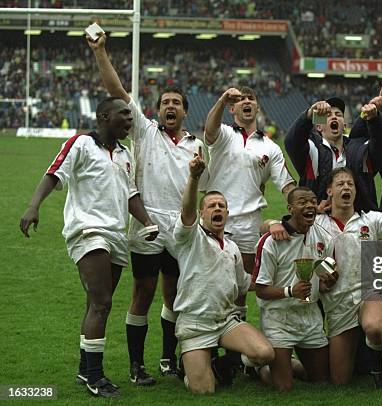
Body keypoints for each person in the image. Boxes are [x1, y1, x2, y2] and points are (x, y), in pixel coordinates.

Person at [20, 97, 159, 398]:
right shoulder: (81, 143)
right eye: (124, 114)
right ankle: (96, 377)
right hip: (87, 230)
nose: (129, 119)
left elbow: (130, 192)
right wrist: (33, 207)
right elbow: (53, 173)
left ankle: (85, 369)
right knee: (102, 302)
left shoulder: (125, 153)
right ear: (104, 116)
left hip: (116, 235)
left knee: (95, 304)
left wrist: (147, 222)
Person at [88, 32, 205, 383]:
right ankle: (136, 366)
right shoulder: (147, 131)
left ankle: (168, 358)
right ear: (158, 110)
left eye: (177, 103)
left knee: (175, 293)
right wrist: (101, 52)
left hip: (182, 228)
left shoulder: (196, 145)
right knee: (143, 291)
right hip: (148, 222)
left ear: (185, 111)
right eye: (165, 102)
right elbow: (118, 91)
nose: (171, 107)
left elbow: (208, 186)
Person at [172, 151, 275, 394]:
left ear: (227, 214)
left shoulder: (232, 247)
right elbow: (186, 212)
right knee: (204, 390)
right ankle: (190, 367)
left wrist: (280, 282)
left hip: (225, 320)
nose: (217, 209)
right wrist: (194, 178)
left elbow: (244, 283)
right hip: (196, 323)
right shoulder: (190, 236)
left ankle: (224, 363)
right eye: (211, 206)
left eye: (222, 206)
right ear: (202, 214)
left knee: (265, 353)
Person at [314, 167, 382, 388]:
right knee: (340, 381)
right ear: (329, 191)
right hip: (338, 303)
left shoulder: (371, 220)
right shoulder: (317, 225)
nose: (346, 187)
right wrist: (273, 225)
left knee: (374, 327)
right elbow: (287, 228)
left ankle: (380, 373)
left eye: (350, 184)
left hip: (369, 291)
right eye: (340, 184)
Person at [204, 86, 295, 276]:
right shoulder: (224, 134)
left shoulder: (271, 148)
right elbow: (210, 130)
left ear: (257, 107)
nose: (246, 101)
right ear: (232, 109)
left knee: (243, 283)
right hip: (217, 215)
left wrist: (300, 205)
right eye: (241, 99)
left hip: (249, 223)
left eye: (251, 98)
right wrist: (222, 99)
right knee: (212, 279)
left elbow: (286, 185)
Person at [254, 187, 337, 391]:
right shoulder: (270, 241)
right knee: (283, 387)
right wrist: (291, 291)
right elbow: (261, 290)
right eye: (302, 202)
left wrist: (328, 282)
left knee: (321, 380)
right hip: (279, 318)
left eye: (313, 201)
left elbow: (323, 282)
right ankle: (258, 369)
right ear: (290, 208)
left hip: (310, 316)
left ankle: (285, 363)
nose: (309, 205)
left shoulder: (323, 237)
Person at [285, 88, 382, 213]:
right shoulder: (311, 150)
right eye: (328, 115)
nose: (334, 117)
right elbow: (291, 141)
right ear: (319, 126)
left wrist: (375, 118)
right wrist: (309, 115)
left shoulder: (361, 151)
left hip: (358, 224)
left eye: (338, 115)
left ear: (344, 126)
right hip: (319, 222)